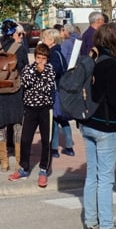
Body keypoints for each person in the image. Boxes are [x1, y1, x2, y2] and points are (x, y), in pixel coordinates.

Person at [80, 22, 116, 229]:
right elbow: (113, 96)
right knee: (105, 178)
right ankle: (107, 226)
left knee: (92, 175)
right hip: (104, 124)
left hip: (87, 122)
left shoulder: (91, 59)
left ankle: (91, 223)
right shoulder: (109, 63)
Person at [11, 42, 56, 187]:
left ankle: (43, 169)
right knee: (25, 139)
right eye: (38, 57)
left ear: (47, 59)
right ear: (34, 57)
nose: (40, 61)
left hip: (45, 108)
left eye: (43, 58)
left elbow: (47, 87)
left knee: (45, 140)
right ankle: (24, 167)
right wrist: (37, 73)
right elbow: (26, 82)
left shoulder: (50, 70)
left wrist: (41, 74)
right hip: (30, 108)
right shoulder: (28, 68)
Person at [0, 19, 26, 172]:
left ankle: (4, 162)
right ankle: (18, 159)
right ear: (13, 33)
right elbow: (23, 68)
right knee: (17, 126)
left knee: (0, 127)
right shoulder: (19, 48)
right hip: (14, 90)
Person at [43, 27, 75, 158]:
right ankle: (69, 146)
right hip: (61, 89)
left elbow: (55, 70)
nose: (42, 40)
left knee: (55, 119)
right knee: (63, 119)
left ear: (51, 40)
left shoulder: (53, 54)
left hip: (56, 90)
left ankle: (54, 149)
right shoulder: (59, 52)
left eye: (44, 38)